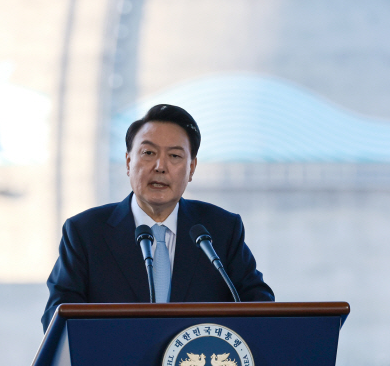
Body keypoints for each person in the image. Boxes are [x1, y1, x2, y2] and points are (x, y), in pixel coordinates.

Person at [42, 104, 274, 330]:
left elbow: (260, 307)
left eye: (174, 155)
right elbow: (57, 318)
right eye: (148, 153)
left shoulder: (220, 229)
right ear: (128, 161)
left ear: (191, 168)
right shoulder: (85, 232)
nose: (160, 166)